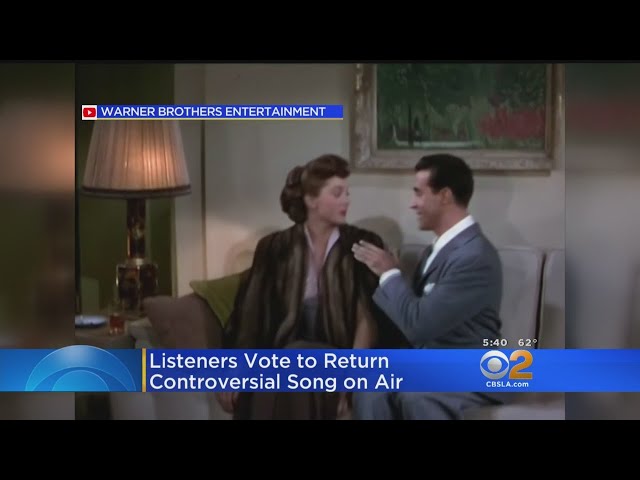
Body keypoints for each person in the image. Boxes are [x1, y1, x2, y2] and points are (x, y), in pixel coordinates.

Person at [218, 153, 396, 420]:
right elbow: (250, 314)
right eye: (337, 193)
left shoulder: (361, 244)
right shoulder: (274, 247)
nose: (346, 200)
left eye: (347, 193)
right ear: (311, 200)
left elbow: (367, 322)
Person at [351, 153, 504, 420]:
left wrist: (389, 273)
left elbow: (419, 326)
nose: (413, 204)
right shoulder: (436, 249)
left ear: (444, 196)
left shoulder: (473, 256)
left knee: (416, 394)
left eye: (419, 193)